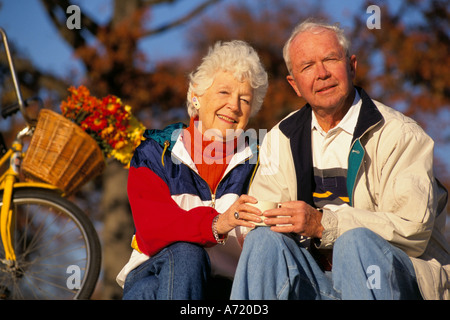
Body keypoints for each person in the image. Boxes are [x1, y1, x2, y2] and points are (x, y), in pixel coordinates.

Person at [230, 19, 449, 300]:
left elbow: (413, 228)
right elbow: (266, 218)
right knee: (263, 242)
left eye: (330, 59)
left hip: (396, 282)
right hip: (317, 282)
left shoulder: (400, 134)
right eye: (307, 66)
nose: (321, 74)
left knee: (355, 242)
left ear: (352, 66)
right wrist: (250, 224)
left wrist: (324, 224)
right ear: (295, 84)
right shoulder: (280, 138)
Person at [116, 40, 269, 299]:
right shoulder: (155, 151)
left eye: (244, 99)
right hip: (154, 268)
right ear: (196, 97)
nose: (234, 105)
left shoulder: (260, 160)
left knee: (148, 292)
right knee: (186, 254)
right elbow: (153, 230)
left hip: (226, 286)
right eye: (224, 92)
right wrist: (216, 223)